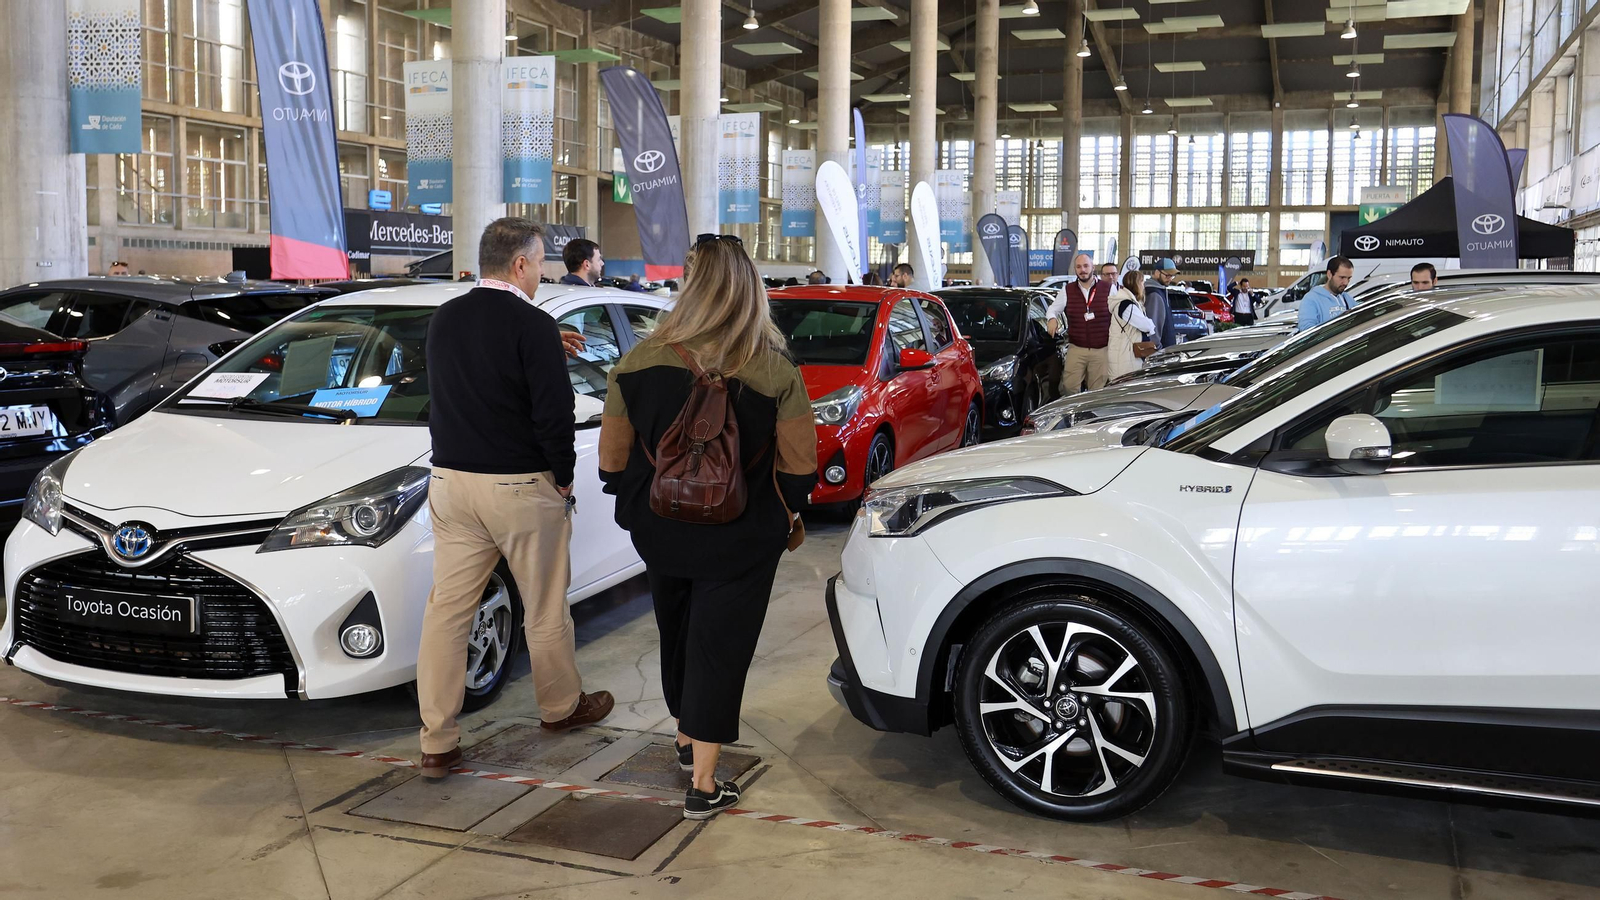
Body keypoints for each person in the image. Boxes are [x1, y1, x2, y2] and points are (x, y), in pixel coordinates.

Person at [598, 234, 817, 820]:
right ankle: (703, 783)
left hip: (660, 528)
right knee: (721, 645)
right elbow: (799, 468)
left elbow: (612, 462)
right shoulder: (775, 370)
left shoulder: (636, 362)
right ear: (750, 291)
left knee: (676, 629)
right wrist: (787, 512)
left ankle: (684, 734)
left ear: (688, 288)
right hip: (743, 535)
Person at [416, 217, 613, 779]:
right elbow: (554, 414)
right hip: (520, 486)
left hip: (451, 482)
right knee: (545, 605)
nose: (543, 272)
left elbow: (479, 369)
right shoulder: (533, 324)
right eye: (541, 262)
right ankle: (560, 707)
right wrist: (564, 479)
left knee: (448, 613)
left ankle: (437, 741)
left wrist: (546, 345)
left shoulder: (445, 317)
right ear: (520, 263)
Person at [1045, 253, 1112, 393]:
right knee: (1069, 386)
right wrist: (1052, 319)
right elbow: (1053, 309)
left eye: (1086, 266)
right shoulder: (1067, 290)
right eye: (1079, 267)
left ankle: (1092, 408)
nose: (1083, 270)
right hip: (1076, 348)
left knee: (1097, 390)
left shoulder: (1109, 288)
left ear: (1093, 267)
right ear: (1075, 269)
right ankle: (1074, 408)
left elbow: (1118, 314)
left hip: (1101, 350)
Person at [1108, 270, 1158, 381]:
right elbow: (1147, 326)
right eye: (1142, 282)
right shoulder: (1127, 305)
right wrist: (1150, 323)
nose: (1143, 286)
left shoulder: (1127, 302)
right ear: (1136, 284)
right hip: (1125, 357)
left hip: (1125, 354)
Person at [1297, 256, 1357, 332]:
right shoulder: (1311, 299)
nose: (1345, 283)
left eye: (1349, 278)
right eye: (1342, 277)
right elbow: (1307, 329)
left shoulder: (1347, 298)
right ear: (1329, 274)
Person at [1142, 258, 1178, 350]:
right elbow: (1153, 327)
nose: (1170, 279)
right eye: (1167, 275)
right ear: (1157, 273)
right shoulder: (1154, 294)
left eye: (1172, 276)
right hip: (1161, 352)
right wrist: (1157, 349)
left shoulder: (1161, 291)